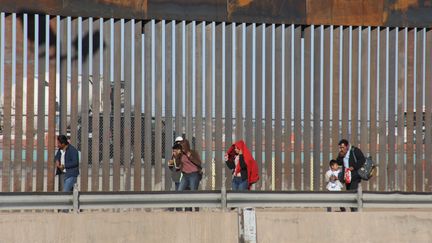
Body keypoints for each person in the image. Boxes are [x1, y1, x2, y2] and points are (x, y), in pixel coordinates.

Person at [336, 139, 365, 212]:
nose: (341, 149)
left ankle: (355, 210)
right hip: (347, 177)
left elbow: (362, 160)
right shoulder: (342, 153)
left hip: (355, 176)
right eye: (340, 147)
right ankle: (353, 210)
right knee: (349, 193)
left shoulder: (355, 151)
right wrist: (340, 156)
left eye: (343, 147)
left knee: (353, 193)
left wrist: (354, 167)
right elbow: (338, 163)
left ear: (347, 146)